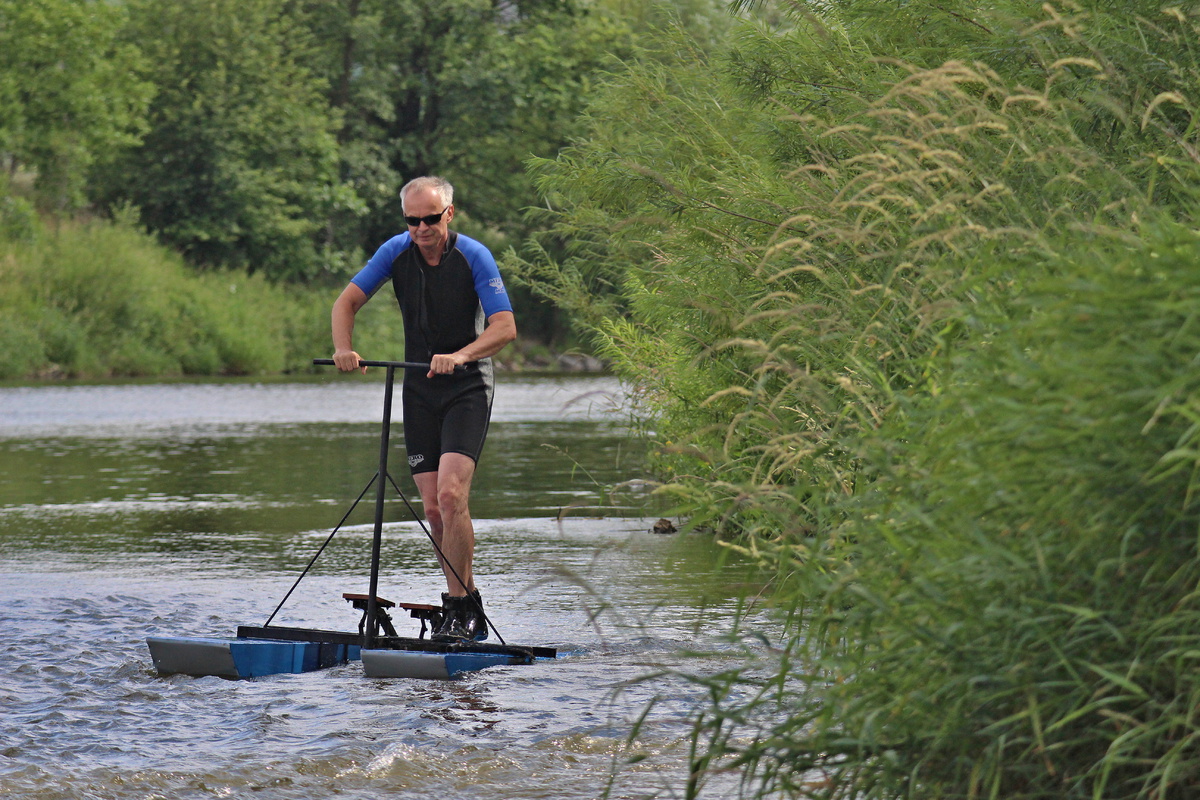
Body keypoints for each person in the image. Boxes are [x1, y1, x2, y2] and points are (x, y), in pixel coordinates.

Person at [331, 176, 516, 641]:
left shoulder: (474, 255)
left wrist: (461, 355)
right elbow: (347, 302)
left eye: (430, 219)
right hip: (418, 390)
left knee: (453, 496)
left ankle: (457, 605)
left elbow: (505, 327)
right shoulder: (395, 251)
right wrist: (343, 348)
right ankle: (465, 602)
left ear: (448, 214)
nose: (420, 229)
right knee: (433, 508)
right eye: (412, 221)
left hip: (467, 388)